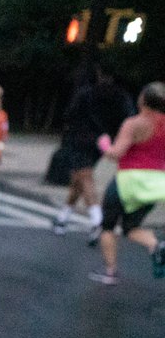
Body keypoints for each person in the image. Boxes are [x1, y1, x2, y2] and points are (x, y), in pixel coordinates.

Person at [89, 81, 165, 285]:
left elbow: (116, 154)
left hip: (128, 181)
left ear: (143, 100)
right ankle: (155, 245)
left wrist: (104, 144)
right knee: (131, 227)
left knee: (108, 225)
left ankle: (110, 272)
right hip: (156, 184)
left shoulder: (134, 123)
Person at [52, 65, 136, 242]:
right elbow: (128, 117)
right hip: (103, 141)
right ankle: (62, 218)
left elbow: (70, 114)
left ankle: (97, 220)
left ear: (98, 74)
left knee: (85, 177)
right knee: (79, 178)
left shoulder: (86, 93)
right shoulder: (121, 96)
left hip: (81, 139)